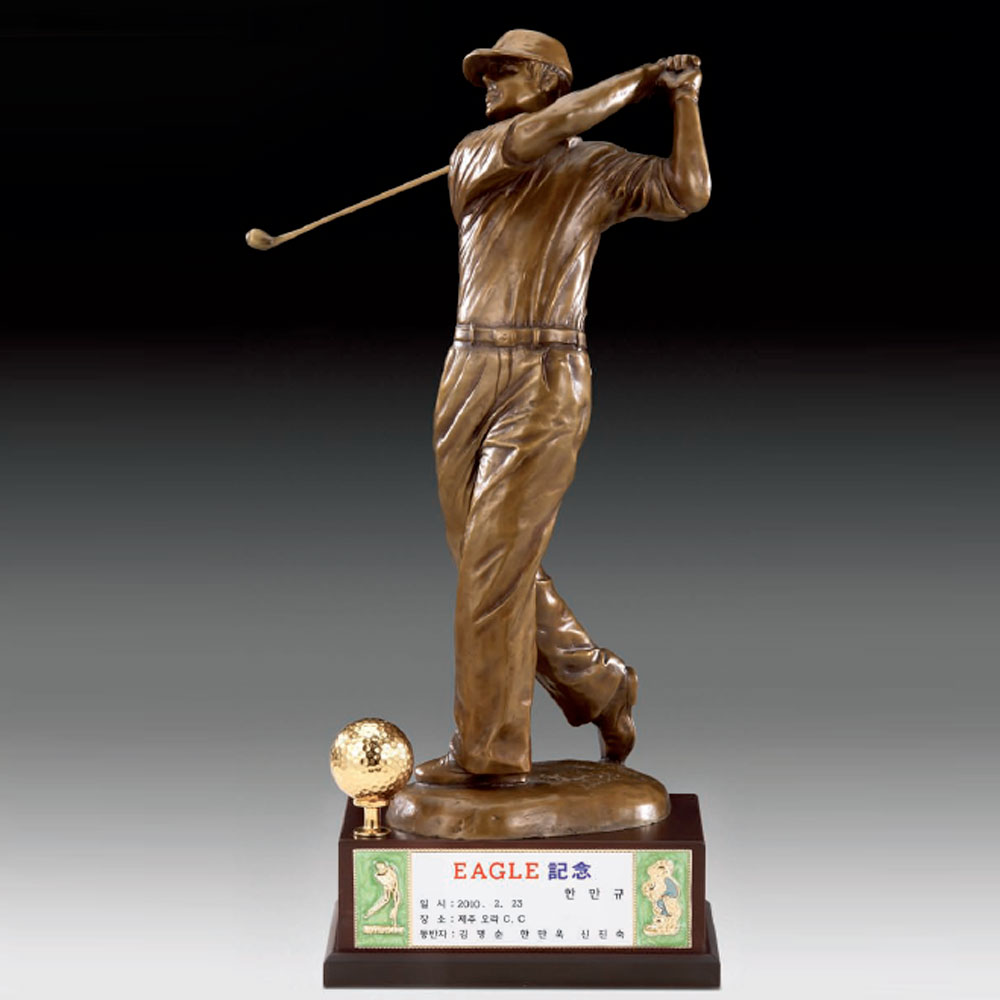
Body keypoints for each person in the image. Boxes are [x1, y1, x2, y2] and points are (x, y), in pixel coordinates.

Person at [415, 30, 710, 786]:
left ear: (549, 79)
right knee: (489, 562)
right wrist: (641, 78)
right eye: (487, 72)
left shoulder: (597, 167)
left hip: (547, 374)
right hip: (468, 368)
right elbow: (551, 127)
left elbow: (688, 190)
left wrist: (683, 101)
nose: (489, 82)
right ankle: (599, 684)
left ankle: (487, 752)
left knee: (492, 568)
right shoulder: (478, 152)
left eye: (506, 71)